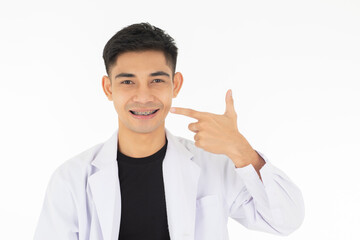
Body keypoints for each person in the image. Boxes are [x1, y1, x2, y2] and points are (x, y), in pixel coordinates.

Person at [33, 22, 305, 240]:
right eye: (128, 81)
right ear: (108, 88)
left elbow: (286, 221)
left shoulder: (212, 166)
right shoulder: (71, 180)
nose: (143, 96)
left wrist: (241, 150)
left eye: (157, 80)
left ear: (176, 84)